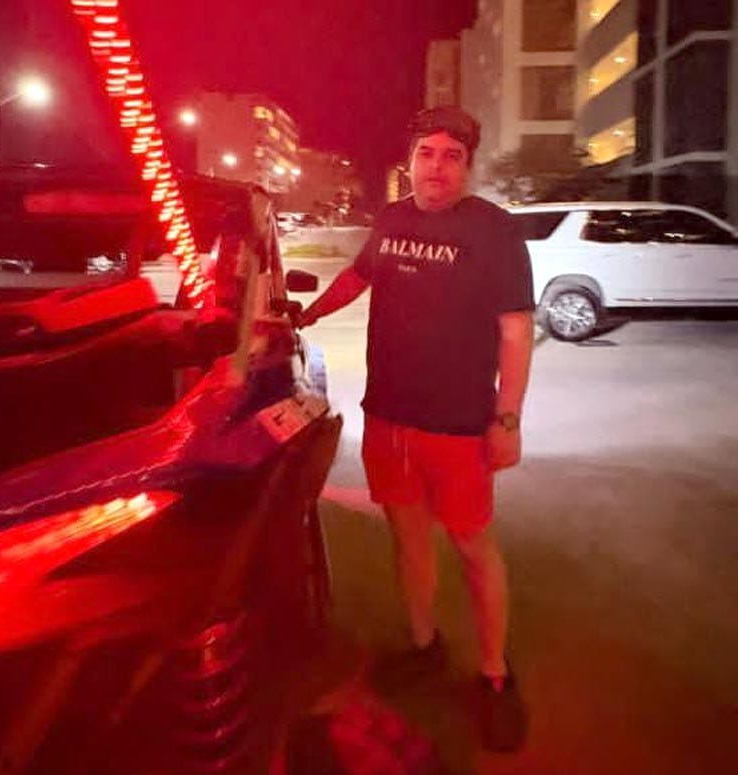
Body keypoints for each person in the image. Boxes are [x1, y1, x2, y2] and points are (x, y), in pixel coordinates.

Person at [297, 106, 535, 753]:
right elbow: (358, 275)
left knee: (473, 547)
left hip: (458, 427)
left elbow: (516, 332)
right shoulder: (393, 220)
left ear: (467, 166)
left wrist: (507, 419)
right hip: (389, 417)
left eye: (451, 156)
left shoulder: (494, 232)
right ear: (409, 163)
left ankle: (494, 674)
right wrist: (307, 314)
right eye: (426, 153)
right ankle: (426, 644)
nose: (437, 167)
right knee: (408, 541)